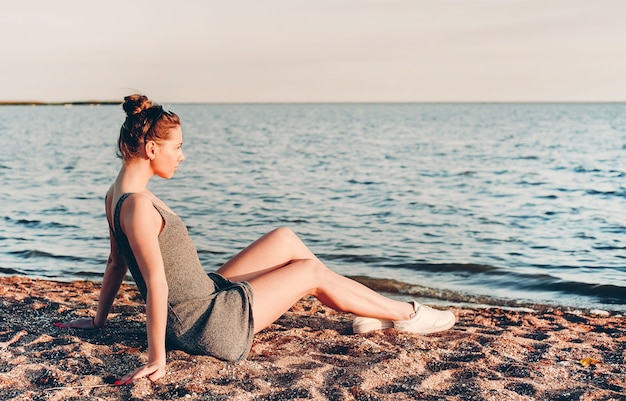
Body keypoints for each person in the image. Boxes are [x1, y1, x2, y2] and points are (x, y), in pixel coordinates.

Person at [55, 94, 456, 385]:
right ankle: (407, 315)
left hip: (204, 294)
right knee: (309, 271)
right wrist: (158, 358)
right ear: (151, 146)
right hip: (205, 324)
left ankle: (370, 309)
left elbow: (114, 263)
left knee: (284, 238)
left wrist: (97, 320)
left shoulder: (115, 193)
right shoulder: (138, 206)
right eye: (177, 147)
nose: (182, 156)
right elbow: (155, 283)